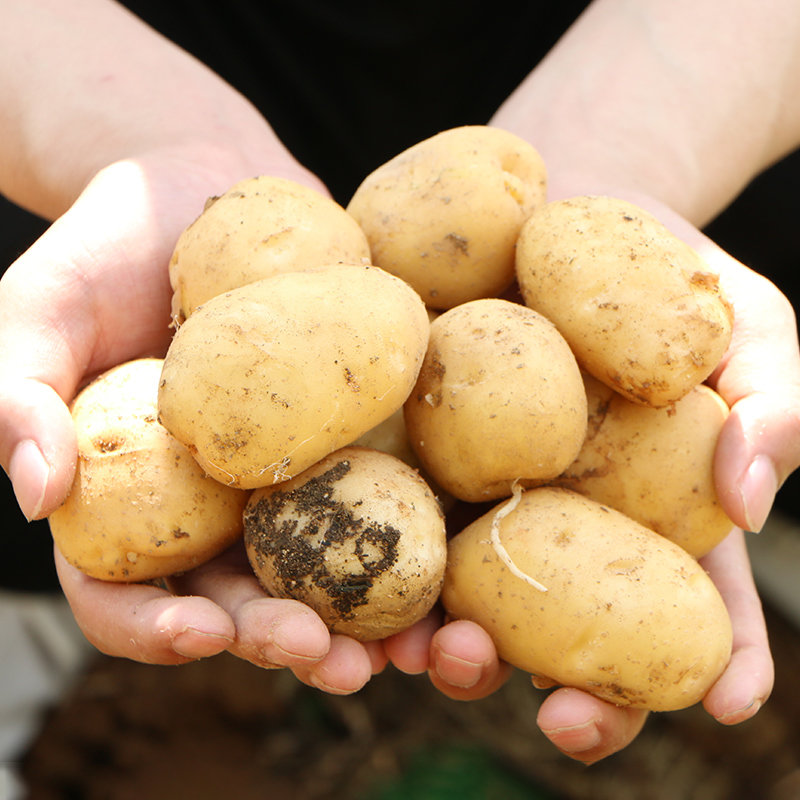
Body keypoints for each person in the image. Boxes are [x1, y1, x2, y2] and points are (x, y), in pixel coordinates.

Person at [1, 0, 799, 766]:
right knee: (39, 493)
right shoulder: (329, 323)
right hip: (137, 52)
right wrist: (140, 137)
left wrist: (634, 143)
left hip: (678, 71)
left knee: (738, 462)